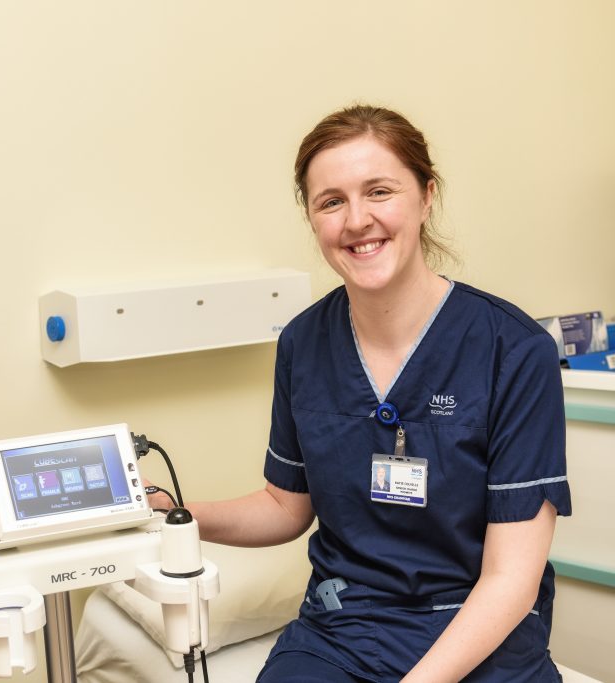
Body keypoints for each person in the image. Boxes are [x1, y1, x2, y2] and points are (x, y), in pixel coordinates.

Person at [184, 105, 571, 682]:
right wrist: (175, 515)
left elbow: (511, 580)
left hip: (480, 637)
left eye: (380, 191)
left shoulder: (512, 351)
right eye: (331, 201)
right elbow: (285, 507)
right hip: (343, 632)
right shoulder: (303, 343)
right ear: (313, 218)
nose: (357, 220)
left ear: (426, 196)